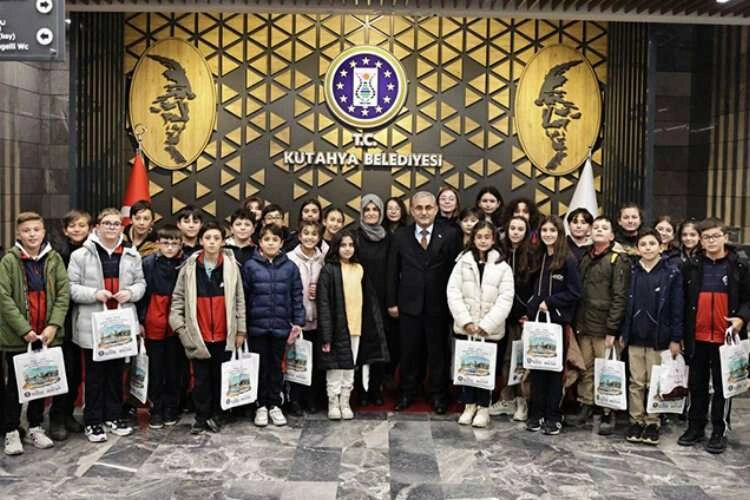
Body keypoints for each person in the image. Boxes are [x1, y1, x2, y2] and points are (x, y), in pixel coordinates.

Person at [69, 208, 146, 443]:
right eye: (107, 223)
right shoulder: (81, 255)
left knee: (116, 374)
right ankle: (93, 421)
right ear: (97, 227)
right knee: (94, 376)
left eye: (116, 224)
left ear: (122, 228)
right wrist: (94, 293)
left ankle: (113, 416)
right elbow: (71, 287)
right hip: (93, 325)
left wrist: (130, 293)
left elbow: (141, 284)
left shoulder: (132, 254)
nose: (111, 227)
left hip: (120, 325)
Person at [679, 217, 750, 454]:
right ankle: (695, 427)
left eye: (715, 236)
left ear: (725, 237)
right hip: (697, 336)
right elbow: (683, 300)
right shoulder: (691, 265)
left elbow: (748, 300)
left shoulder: (739, 265)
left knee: (723, 387)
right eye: (706, 237)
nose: (711, 241)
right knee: (697, 384)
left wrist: (741, 318)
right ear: (700, 240)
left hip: (726, 338)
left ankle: (719, 430)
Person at [387, 191, 463, 414]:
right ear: (411, 211)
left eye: (428, 207)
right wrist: (391, 302)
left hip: (439, 306)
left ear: (436, 209)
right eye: (419, 208)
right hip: (408, 306)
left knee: (438, 354)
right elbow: (392, 270)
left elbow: (456, 272)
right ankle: (407, 392)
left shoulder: (450, 234)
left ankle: (439, 395)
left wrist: (455, 306)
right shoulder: (400, 235)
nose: (424, 212)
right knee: (409, 353)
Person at [0, 212, 69, 455]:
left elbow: (63, 294)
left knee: (42, 382)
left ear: (43, 232)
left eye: (36, 230)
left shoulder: (54, 259)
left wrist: (53, 326)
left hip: (47, 335)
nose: (32, 234)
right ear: (18, 234)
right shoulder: (9, 261)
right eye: (26, 230)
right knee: (15, 385)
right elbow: (4, 298)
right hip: (19, 337)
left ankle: (36, 426)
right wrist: (25, 330)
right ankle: (11, 430)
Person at [169, 221, 246, 434]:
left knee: (221, 376)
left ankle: (218, 414)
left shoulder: (231, 266)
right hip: (198, 334)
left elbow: (240, 299)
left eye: (216, 238)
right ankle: (201, 417)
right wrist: (180, 329)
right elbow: (177, 299)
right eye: (208, 238)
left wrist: (240, 330)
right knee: (200, 379)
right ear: (201, 241)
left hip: (224, 333)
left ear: (223, 241)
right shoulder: (189, 267)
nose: (212, 242)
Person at [620, 228, 684, 446]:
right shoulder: (632, 271)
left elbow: (677, 307)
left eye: (652, 244)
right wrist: (623, 333)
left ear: (661, 246)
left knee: (655, 381)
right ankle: (636, 420)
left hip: (659, 338)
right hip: (635, 336)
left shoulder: (671, 273)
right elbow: (624, 304)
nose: (647, 248)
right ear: (637, 248)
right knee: (636, 381)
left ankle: (652, 421)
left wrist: (676, 338)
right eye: (643, 244)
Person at [447, 221, 514, 428]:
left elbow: (506, 298)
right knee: (468, 367)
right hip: (467, 327)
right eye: (479, 237)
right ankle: (469, 406)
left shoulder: (502, 266)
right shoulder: (462, 262)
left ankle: (484, 408)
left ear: (493, 240)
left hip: (489, 330)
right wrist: (466, 321)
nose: (483, 241)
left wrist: (487, 325)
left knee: (485, 369)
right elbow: (453, 292)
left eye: (487, 237)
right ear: (473, 239)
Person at [318, 230, 390, 420]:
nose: (347, 249)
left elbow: (368, 301)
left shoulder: (359, 268)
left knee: (350, 366)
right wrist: (326, 334)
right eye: (343, 245)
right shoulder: (329, 270)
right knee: (335, 366)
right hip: (336, 328)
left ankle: (345, 401)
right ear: (336, 247)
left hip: (356, 326)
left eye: (351, 245)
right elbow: (323, 304)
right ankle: (333, 401)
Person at [571, 216, 630, 435]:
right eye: (596, 227)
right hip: (584, 323)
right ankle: (586, 404)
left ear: (612, 235)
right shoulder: (585, 256)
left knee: (607, 369)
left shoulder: (618, 259)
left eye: (604, 228)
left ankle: (607, 410)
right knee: (586, 368)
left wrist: (613, 329)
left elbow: (620, 296)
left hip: (605, 326)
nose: (599, 230)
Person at [243, 224, 305, 428]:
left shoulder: (290, 267)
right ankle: (260, 405)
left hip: (281, 326)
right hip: (257, 327)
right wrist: (242, 325)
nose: (271, 243)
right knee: (260, 367)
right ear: (260, 242)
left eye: (275, 240)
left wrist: (298, 321)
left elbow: (297, 295)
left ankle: (275, 404)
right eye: (267, 239)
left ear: (281, 243)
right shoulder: (250, 266)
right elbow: (243, 297)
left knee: (277, 366)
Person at [526, 215, 581, 435]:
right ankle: (536, 413)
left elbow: (575, 292)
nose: (548, 234)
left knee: (555, 372)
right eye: (544, 230)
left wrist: (551, 302)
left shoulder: (568, 260)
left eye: (552, 231)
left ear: (560, 234)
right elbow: (531, 288)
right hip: (536, 324)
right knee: (537, 369)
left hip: (557, 325)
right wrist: (532, 307)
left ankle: (553, 416)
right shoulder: (538, 257)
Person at [48, 209, 92, 441]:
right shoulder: (57, 254)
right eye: (72, 226)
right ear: (65, 230)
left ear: (90, 228)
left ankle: (68, 414)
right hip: (63, 317)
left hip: (85, 315)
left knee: (76, 372)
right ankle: (57, 415)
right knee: (65, 368)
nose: (77, 229)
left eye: (82, 225)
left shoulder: (93, 251)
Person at [138, 225, 185, 429]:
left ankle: (171, 407)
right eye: (166, 243)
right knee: (155, 369)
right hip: (153, 320)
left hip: (176, 321)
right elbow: (142, 294)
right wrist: (140, 320)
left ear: (180, 245)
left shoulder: (186, 263)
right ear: (158, 243)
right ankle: (156, 408)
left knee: (174, 368)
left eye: (174, 243)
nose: (170, 247)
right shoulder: (148, 263)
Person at [490, 215, 534, 421]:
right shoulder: (499, 254)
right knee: (506, 358)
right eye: (512, 228)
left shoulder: (533, 255)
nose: (516, 232)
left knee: (521, 358)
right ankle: (507, 398)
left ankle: (523, 400)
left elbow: (535, 287)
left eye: (520, 229)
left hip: (523, 316)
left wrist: (528, 312)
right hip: (502, 315)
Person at [286, 220, 326, 415]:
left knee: (315, 362)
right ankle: (295, 400)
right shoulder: (289, 259)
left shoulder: (323, 259)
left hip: (318, 319)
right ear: (300, 236)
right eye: (306, 233)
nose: (310, 237)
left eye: (314, 234)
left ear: (319, 237)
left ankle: (312, 399)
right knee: (296, 361)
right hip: (297, 320)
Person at [356, 194, 391, 406]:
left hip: (383, 298)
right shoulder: (355, 236)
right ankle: (361, 390)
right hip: (359, 298)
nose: (371, 213)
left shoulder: (389, 238)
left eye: (375, 209)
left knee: (380, 345)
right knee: (361, 346)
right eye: (367, 210)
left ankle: (376, 388)